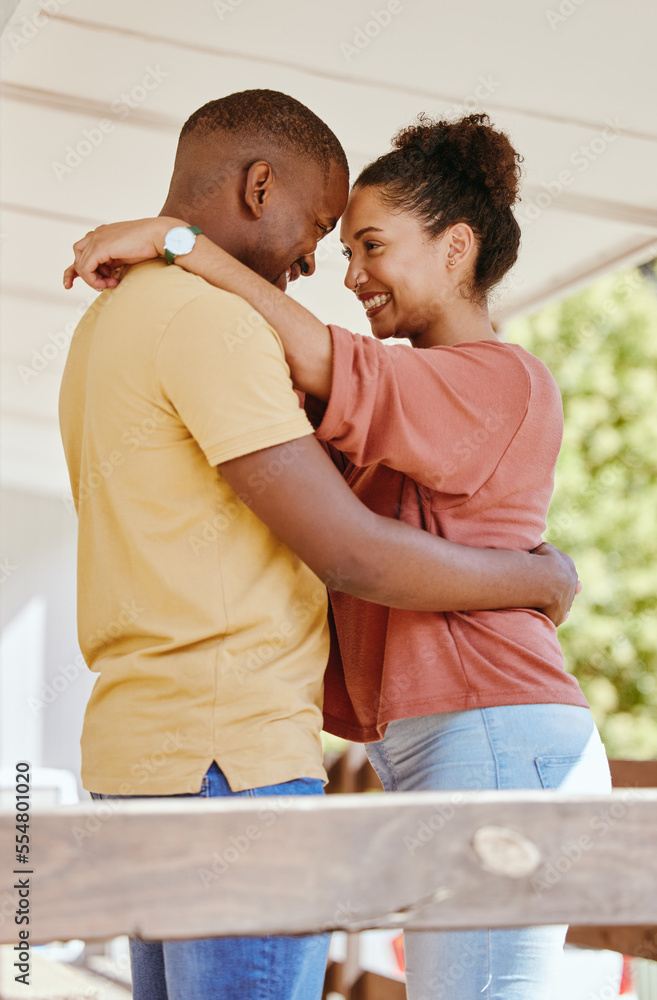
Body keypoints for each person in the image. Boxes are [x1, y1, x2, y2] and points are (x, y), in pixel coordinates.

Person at [63, 97, 583, 1000]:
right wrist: (537, 576)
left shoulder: (493, 376)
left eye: (366, 245)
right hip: (396, 737)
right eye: (334, 241)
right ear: (257, 185)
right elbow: (335, 503)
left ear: (455, 248)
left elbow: (325, 377)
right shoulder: (292, 366)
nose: (337, 269)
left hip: (489, 719)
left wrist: (183, 245)